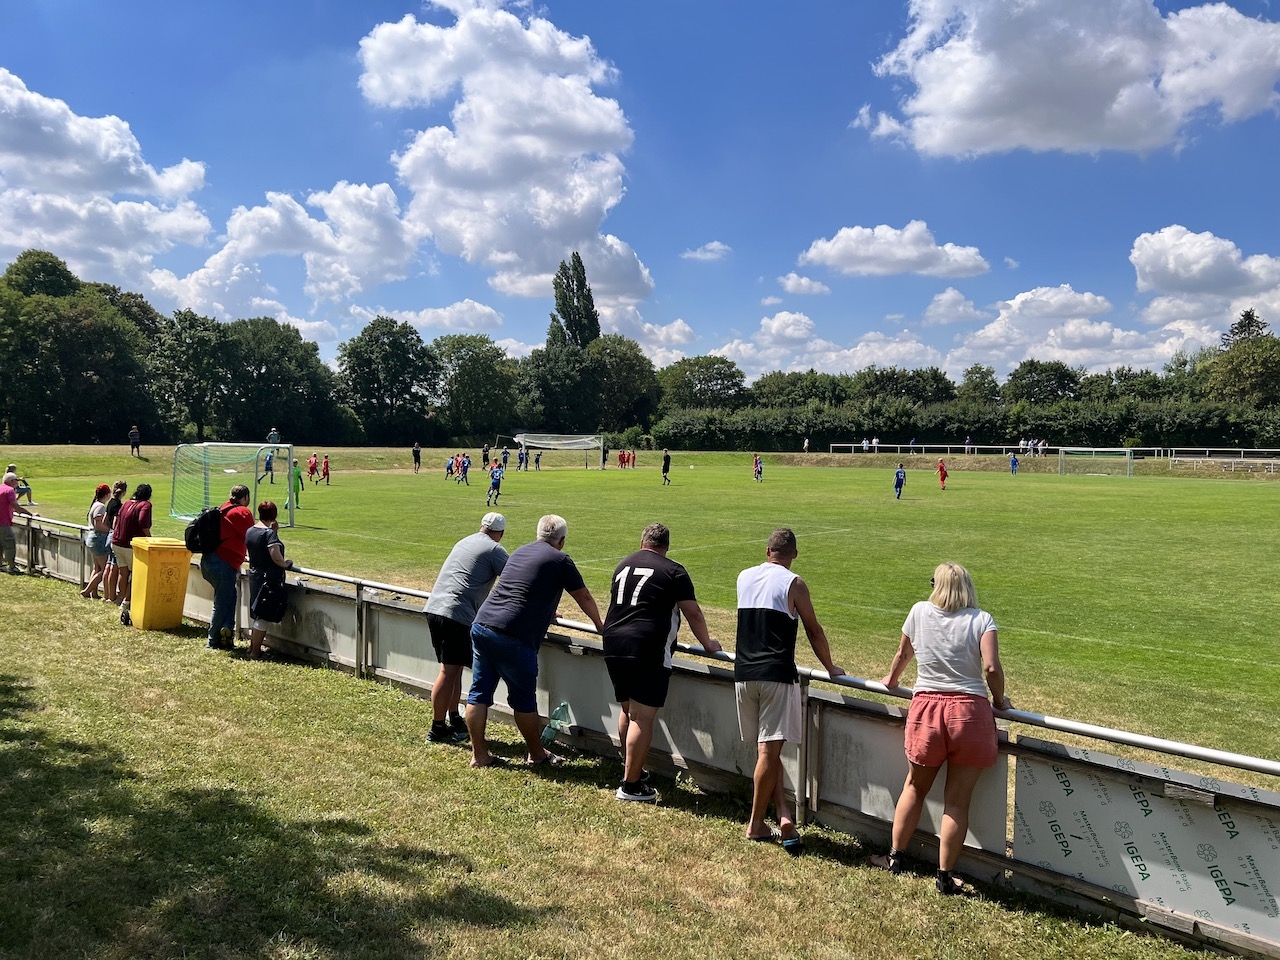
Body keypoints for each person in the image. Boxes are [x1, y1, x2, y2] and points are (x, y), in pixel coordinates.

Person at [872, 562, 1010, 895]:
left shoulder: (919, 611)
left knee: (914, 787)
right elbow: (991, 667)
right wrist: (1000, 700)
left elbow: (903, 654)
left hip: (927, 710)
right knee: (957, 802)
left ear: (937, 585)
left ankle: (894, 858)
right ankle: (945, 877)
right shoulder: (982, 619)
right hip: (971, 713)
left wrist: (891, 680)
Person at [466, 514, 604, 768]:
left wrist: (545, 611)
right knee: (524, 700)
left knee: (479, 693)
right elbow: (583, 596)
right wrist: (600, 625)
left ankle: (479, 755)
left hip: (482, 624)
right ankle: (537, 754)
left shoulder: (520, 551)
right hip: (514, 635)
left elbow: (521, 587)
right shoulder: (561, 560)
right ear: (561, 541)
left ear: (538, 534)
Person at [735, 528, 843, 851]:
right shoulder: (794, 584)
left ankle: (783, 815)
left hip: (743, 674)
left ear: (767, 550)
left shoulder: (743, 577)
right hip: (776, 676)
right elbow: (813, 630)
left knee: (767, 752)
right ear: (794, 555)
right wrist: (830, 667)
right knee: (769, 753)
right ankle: (756, 824)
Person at [603, 523, 722, 802]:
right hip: (646, 646)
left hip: (613, 642)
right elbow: (693, 613)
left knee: (627, 710)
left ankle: (631, 770)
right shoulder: (674, 570)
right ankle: (631, 786)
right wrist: (708, 644)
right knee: (642, 716)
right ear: (666, 546)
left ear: (642, 542)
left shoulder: (622, 564)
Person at [424, 512, 509, 744]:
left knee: (454, 668)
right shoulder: (494, 549)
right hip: (457, 615)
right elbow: (515, 579)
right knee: (448, 671)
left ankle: (453, 717)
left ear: (482, 526)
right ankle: (437, 728)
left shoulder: (465, 541)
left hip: (435, 609)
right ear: (500, 533)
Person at [200, 483, 255, 650]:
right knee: (222, 602)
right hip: (224, 563)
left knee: (230, 596)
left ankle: (227, 631)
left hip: (208, 561)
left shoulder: (223, 508)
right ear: (246, 497)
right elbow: (251, 536)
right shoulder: (242, 512)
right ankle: (213, 640)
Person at [245, 500, 294, 659]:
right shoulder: (269, 534)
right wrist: (285, 564)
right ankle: (255, 652)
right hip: (268, 579)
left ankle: (252, 648)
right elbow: (275, 555)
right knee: (263, 615)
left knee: (257, 613)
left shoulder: (250, 531)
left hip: (255, 575)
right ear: (274, 515)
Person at [111, 483, 153, 619]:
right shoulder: (145, 505)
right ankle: (126, 602)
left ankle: (121, 598)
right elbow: (143, 522)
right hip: (130, 545)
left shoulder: (127, 503)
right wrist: (149, 538)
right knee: (135, 574)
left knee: (123, 572)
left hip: (116, 542)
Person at [1, 472, 37, 574]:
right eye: (16, 480)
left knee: (0, 544)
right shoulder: (9, 490)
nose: (17, 482)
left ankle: (1, 564)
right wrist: (31, 514)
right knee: (9, 544)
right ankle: (12, 567)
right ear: (12, 481)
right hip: (3, 522)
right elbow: (16, 506)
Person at [81, 483, 112, 599]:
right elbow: (98, 524)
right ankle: (87, 591)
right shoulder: (101, 507)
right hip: (98, 539)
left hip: (93, 538)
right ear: (107, 494)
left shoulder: (95, 504)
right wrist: (110, 530)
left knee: (97, 568)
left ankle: (93, 593)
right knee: (104, 570)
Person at [102, 480, 128, 602]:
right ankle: (112, 596)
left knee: (108, 566)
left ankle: (106, 595)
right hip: (115, 537)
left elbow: (104, 521)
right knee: (114, 567)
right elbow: (115, 523)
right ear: (124, 492)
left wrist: (110, 531)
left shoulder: (110, 503)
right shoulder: (119, 506)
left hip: (109, 535)